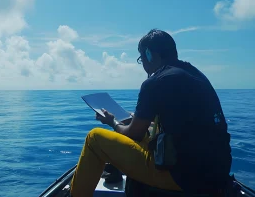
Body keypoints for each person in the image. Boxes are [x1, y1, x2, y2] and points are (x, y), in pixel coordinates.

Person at [69, 29, 232, 197]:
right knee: (148, 134)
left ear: (148, 54)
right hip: (216, 175)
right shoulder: (196, 75)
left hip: (184, 178)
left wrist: (112, 122)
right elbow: (181, 122)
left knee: (94, 138)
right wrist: (134, 117)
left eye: (141, 59)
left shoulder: (155, 81)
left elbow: (134, 134)